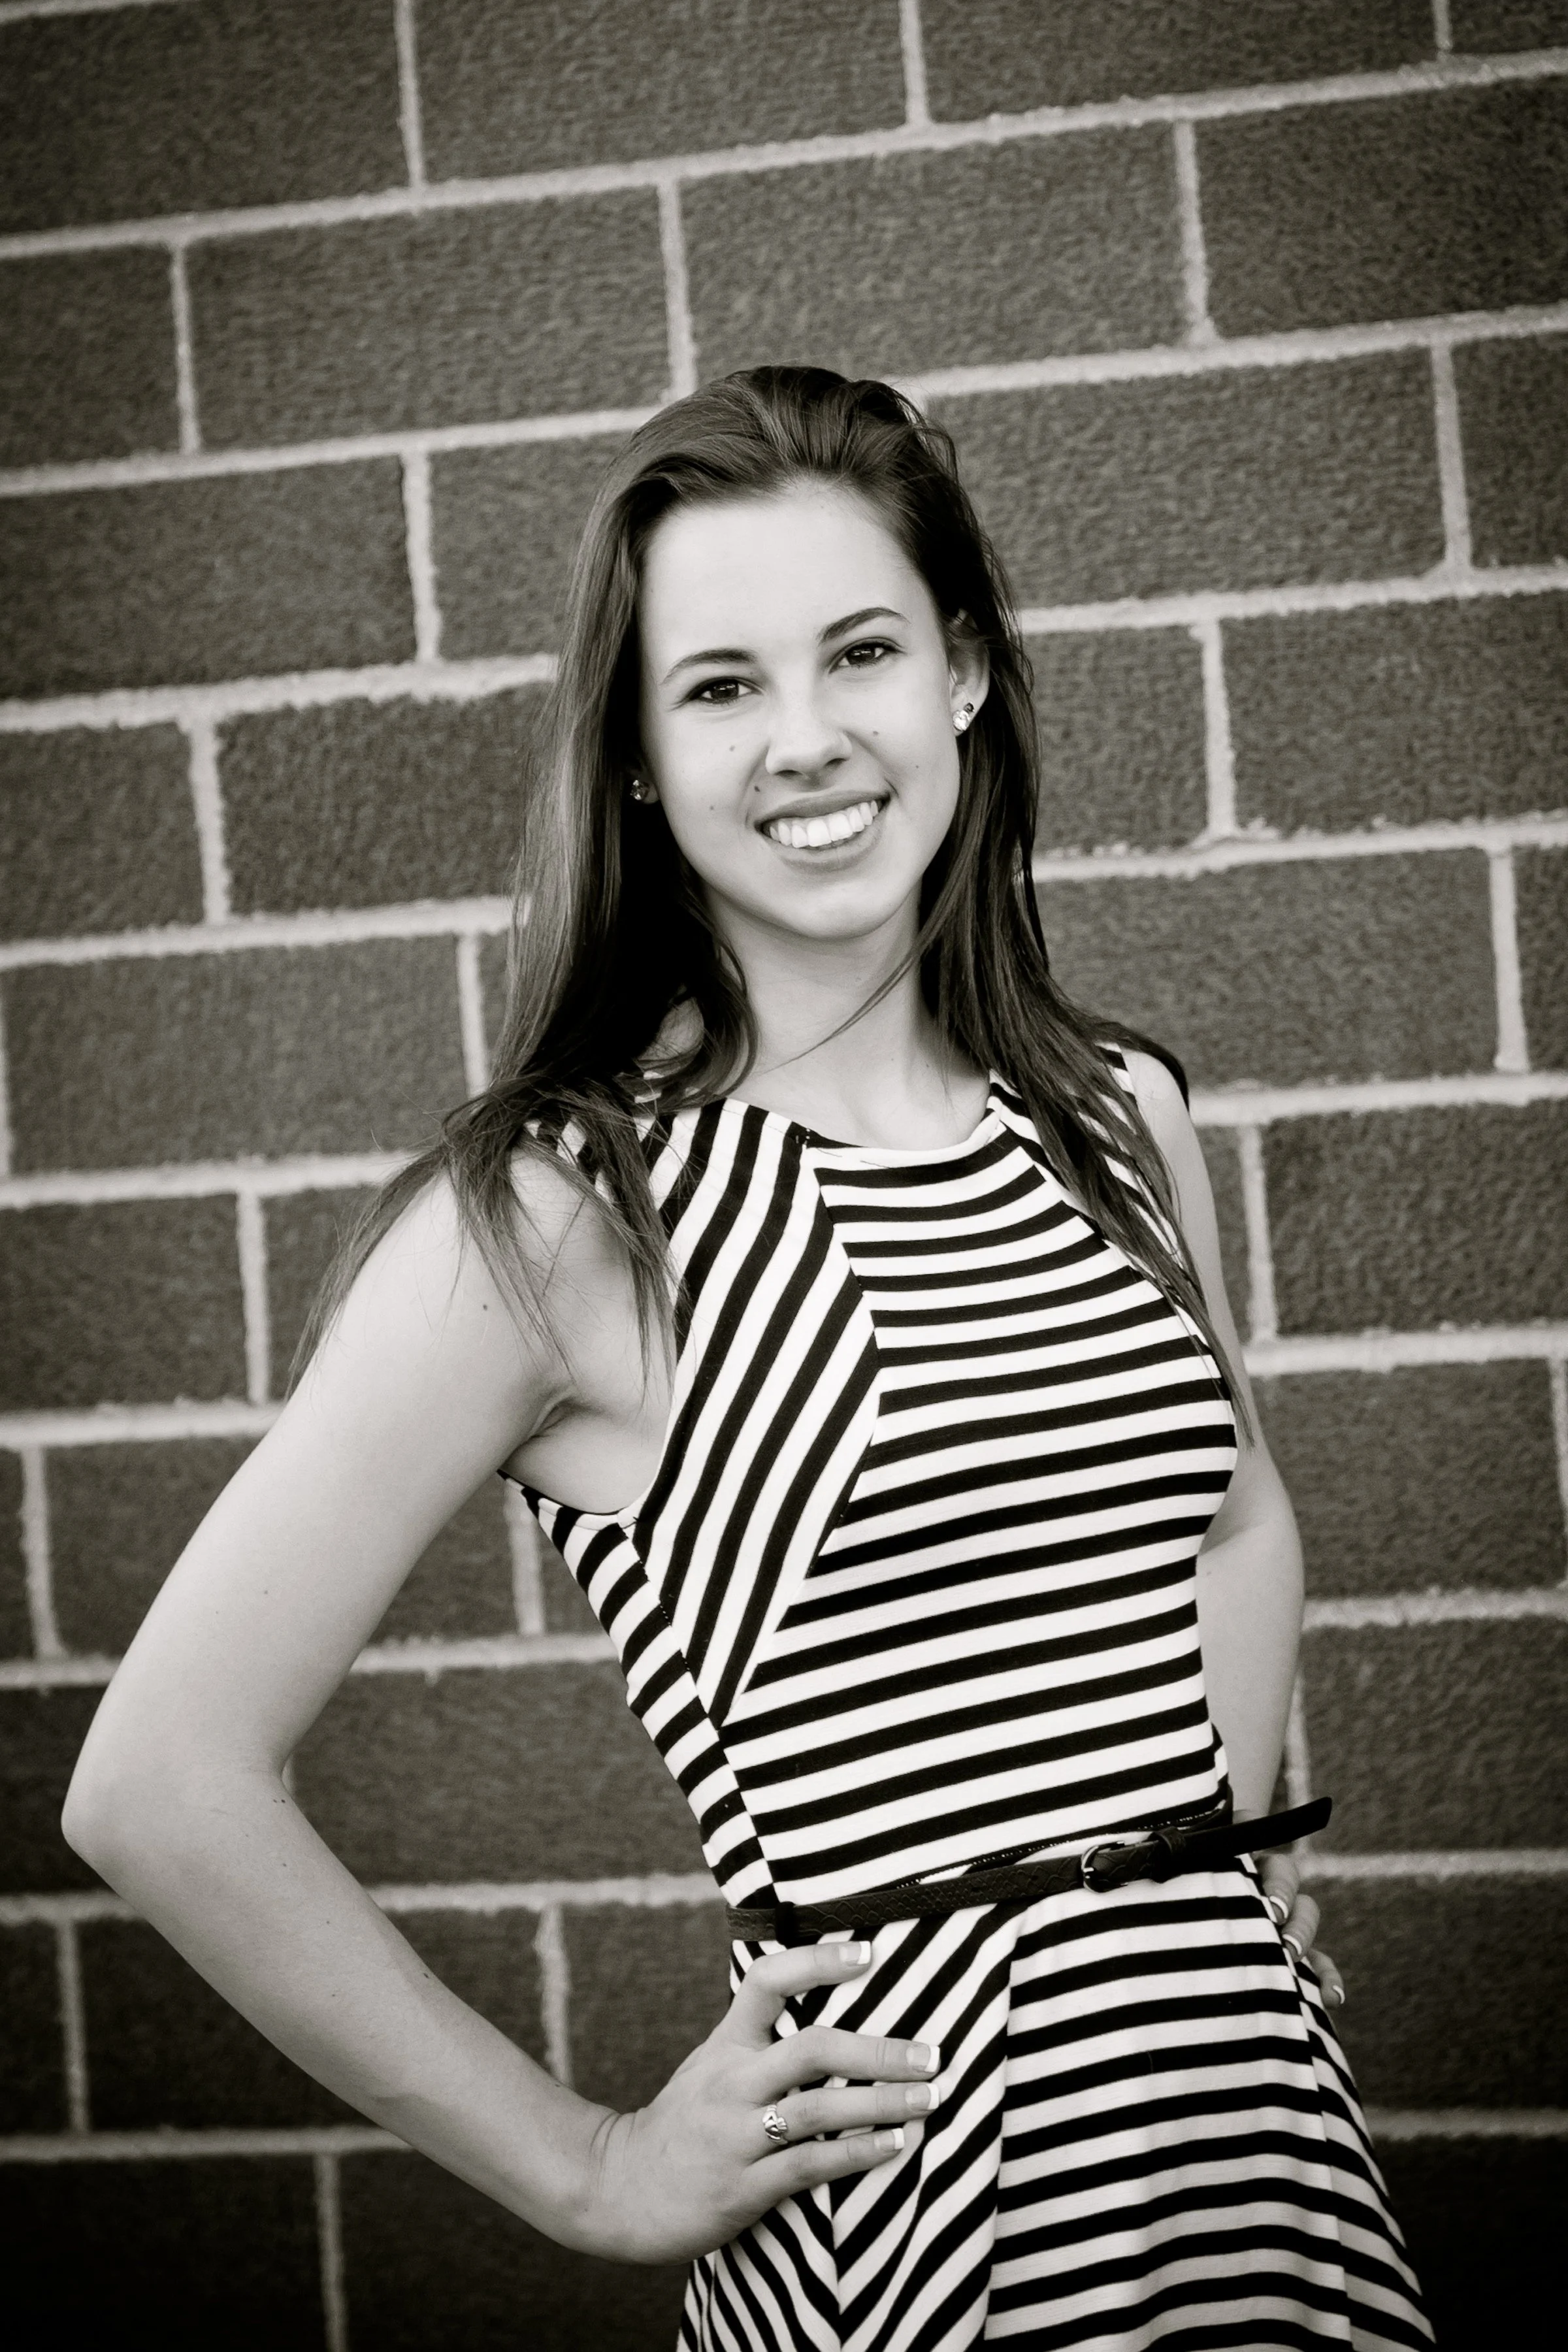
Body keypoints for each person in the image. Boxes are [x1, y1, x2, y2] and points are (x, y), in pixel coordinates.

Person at [64, 368, 1429, 2348]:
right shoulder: (564, 1212)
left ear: (962, 675)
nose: (807, 742)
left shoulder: (1116, 1114)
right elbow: (160, 1783)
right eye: (717, 687)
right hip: (930, 2228)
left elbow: (1227, 1517)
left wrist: (1202, 1859)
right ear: (634, 756)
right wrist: (590, 2167)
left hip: (1260, 2170)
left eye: (860, 651)